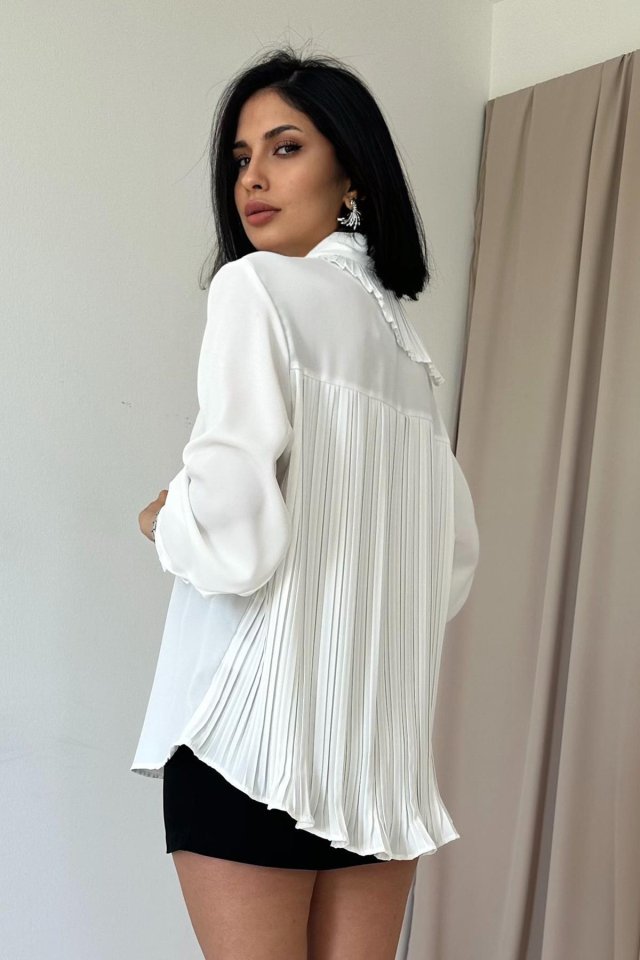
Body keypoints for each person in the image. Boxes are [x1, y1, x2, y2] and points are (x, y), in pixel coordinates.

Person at [133, 44, 480, 960]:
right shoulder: (408, 354)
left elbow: (232, 546)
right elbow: (451, 564)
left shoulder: (255, 288)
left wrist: (164, 518)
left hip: (249, 745)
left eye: (284, 148)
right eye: (241, 157)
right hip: (374, 760)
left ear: (351, 172)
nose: (252, 178)